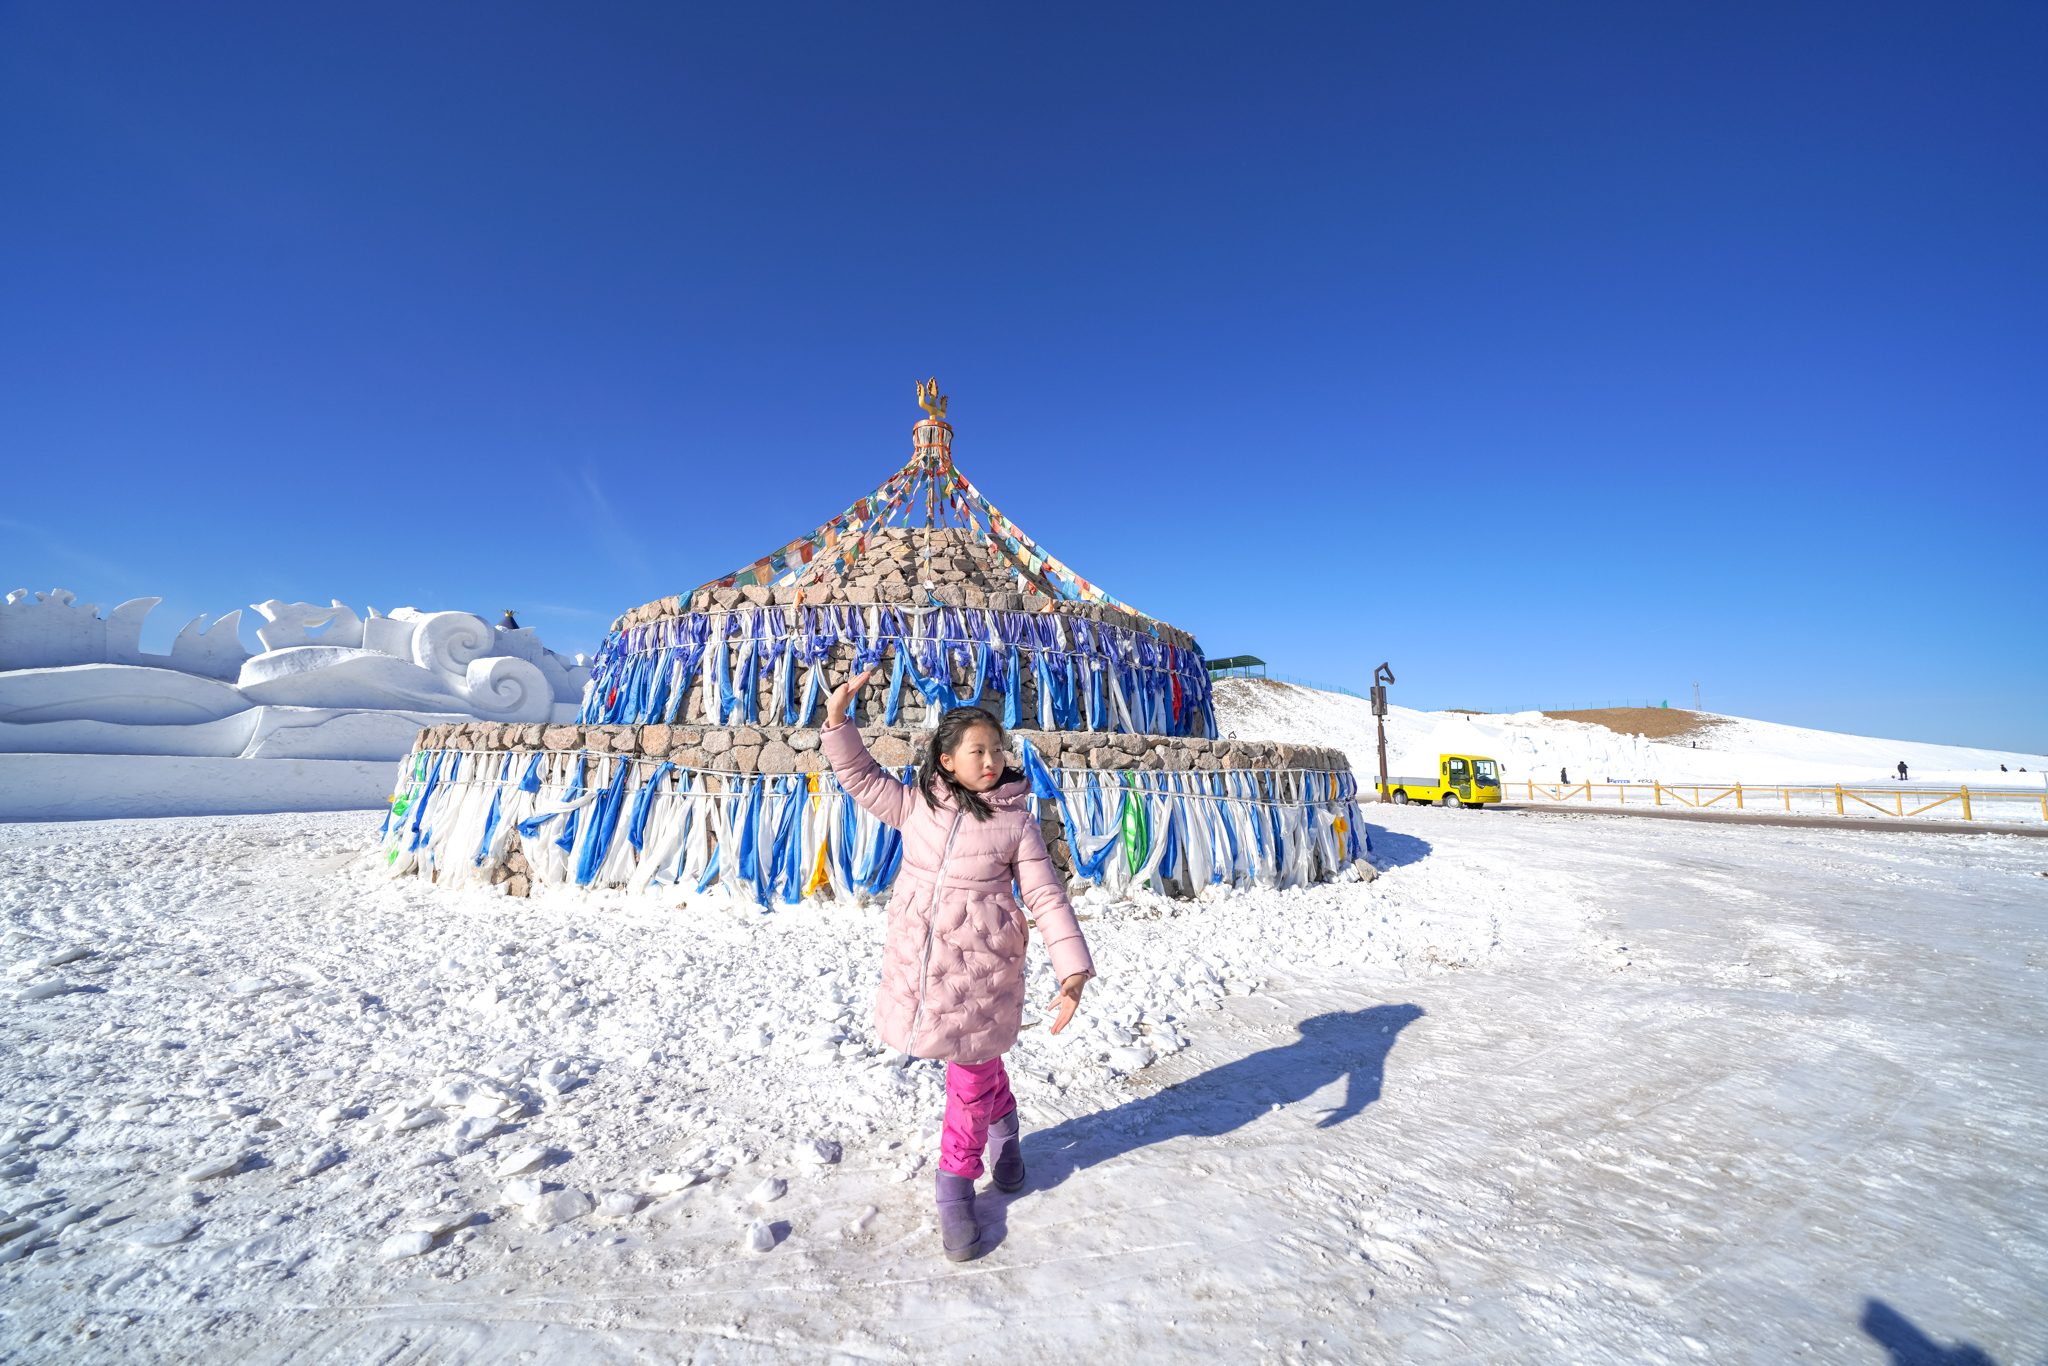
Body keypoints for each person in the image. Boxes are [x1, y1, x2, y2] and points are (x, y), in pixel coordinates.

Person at [820, 671, 1094, 1264]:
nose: (993, 760)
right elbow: (859, 776)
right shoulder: (913, 804)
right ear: (946, 760)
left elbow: (1045, 895)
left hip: (983, 970)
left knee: (966, 1079)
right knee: (977, 1063)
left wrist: (1071, 970)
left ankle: (954, 1185)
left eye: (998, 750)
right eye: (979, 751)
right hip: (921, 968)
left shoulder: (1016, 821)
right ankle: (1007, 1131)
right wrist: (839, 721)